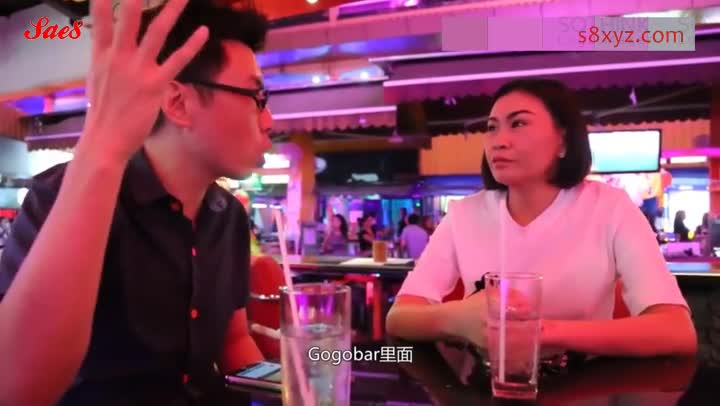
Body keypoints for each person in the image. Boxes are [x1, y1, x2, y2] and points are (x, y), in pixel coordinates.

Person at [0, 0, 272, 404]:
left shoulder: (228, 215)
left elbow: (233, 341)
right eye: (257, 97)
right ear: (178, 103)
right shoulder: (64, 196)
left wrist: (290, 385)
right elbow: (14, 388)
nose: (269, 121)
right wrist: (104, 145)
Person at [386, 78, 696, 358]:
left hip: (586, 386)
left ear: (563, 141)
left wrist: (539, 332)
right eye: (492, 127)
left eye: (518, 123)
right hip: (486, 383)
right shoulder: (463, 214)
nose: (499, 140)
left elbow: (676, 330)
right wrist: (457, 319)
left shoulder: (610, 208)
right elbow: (399, 317)